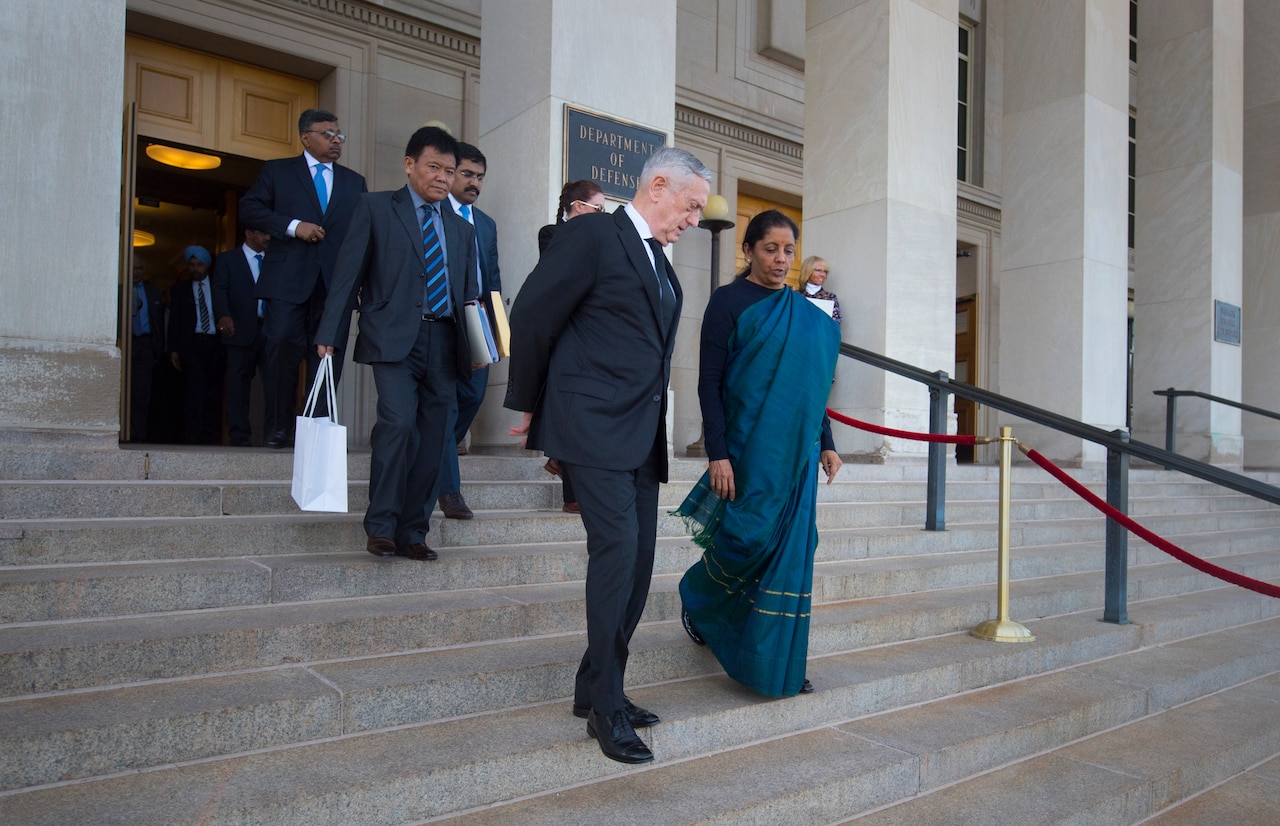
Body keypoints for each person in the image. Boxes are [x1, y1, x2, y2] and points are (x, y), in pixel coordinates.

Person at [505, 147, 711, 765]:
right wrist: (532, 407)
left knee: (640, 560)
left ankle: (594, 683)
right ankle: (606, 708)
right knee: (617, 551)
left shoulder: (658, 261)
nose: (695, 220)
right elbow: (535, 313)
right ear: (657, 186)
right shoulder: (594, 233)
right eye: (691, 205)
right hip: (590, 422)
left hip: (639, 431)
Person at [676, 210, 843, 699]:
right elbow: (709, 382)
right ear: (748, 250)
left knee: (794, 547)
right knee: (746, 539)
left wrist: (828, 443)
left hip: (799, 454)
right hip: (748, 448)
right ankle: (698, 597)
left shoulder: (807, 317)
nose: (780, 259)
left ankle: (775, 658)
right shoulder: (729, 302)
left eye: (788, 250)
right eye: (770, 248)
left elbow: (813, 392)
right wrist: (718, 452)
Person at [314, 125, 479, 562]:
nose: (444, 178)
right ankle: (382, 525)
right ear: (409, 165)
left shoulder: (462, 230)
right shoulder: (375, 208)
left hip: (444, 342)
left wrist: (479, 350)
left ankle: (413, 531)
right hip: (393, 339)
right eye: (434, 168)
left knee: (433, 439)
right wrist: (329, 335)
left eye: (451, 170)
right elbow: (347, 276)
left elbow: (468, 296)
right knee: (398, 424)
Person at [240, 108, 368, 449]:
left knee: (328, 358)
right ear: (305, 137)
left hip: (335, 288)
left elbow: (362, 236)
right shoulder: (278, 171)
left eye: (339, 134)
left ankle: (315, 429)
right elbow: (249, 209)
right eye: (327, 134)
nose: (336, 140)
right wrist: (295, 227)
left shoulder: (355, 182)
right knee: (280, 349)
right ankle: (278, 427)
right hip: (287, 282)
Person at [436, 142, 503, 520]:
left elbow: (492, 278)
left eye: (479, 177)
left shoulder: (487, 224)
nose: (474, 182)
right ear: (449, 173)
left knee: (473, 395)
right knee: (444, 406)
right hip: (441, 319)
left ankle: (430, 441)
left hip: (477, 320)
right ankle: (449, 491)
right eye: (467, 174)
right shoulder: (433, 211)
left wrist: (498, 331)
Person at [535, 179, 607, 515]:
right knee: (568, 409)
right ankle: (571, 488)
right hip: (561, 331)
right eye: (599, 209)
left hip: (587, 333)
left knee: (577, 412)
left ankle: (564, 468)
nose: (603, 217)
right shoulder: (552, 233)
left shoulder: (596, 239)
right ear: (577, 207)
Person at [213, 226, 273, 446]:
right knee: (237, 385)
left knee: (274, 384)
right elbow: (219, 289)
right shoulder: (228, 260)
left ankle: (274, 434)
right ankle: (239, 435)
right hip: (238, 330)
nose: (268, 237)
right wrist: (223, 316)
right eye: (264, 232)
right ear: (248, 233)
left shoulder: (275, 260)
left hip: (270, 330)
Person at [166, 245, 225, 445]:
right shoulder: (180, 290)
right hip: (192, 344)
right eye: (191, 265)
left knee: (214, 391)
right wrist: (173, 348)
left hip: (215, 343)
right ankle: (193, 436)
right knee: (194, 392)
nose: (195, 269)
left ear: (207, 266)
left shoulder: (219, 286)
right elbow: (174, 321)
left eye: (199, 265)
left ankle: (210, 437)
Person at [128, 259, 165, 442]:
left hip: (145, 345)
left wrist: (158, 349)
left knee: (142, 393)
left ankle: (138, 435)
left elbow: (159, 323)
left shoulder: (154, 292)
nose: (136, 272)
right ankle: (124, 432)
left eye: (139, 268)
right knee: (125, 391)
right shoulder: (119, 291)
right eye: (132, 268)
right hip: (125, 343)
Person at [797, 255, 842, 323]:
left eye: (825, 272)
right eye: (818, 270)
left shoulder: (830, 298)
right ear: (808, 271)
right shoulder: (795, 296)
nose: (823, 275)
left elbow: (836, 325)